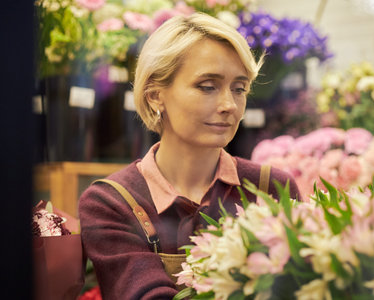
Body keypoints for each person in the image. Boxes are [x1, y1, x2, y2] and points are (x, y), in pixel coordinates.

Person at [79, 12, 301, 300]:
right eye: (207, 86)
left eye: (239, 89)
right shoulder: (111, 203)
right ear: (155, 95)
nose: (229, 105)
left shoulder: (271, 188)